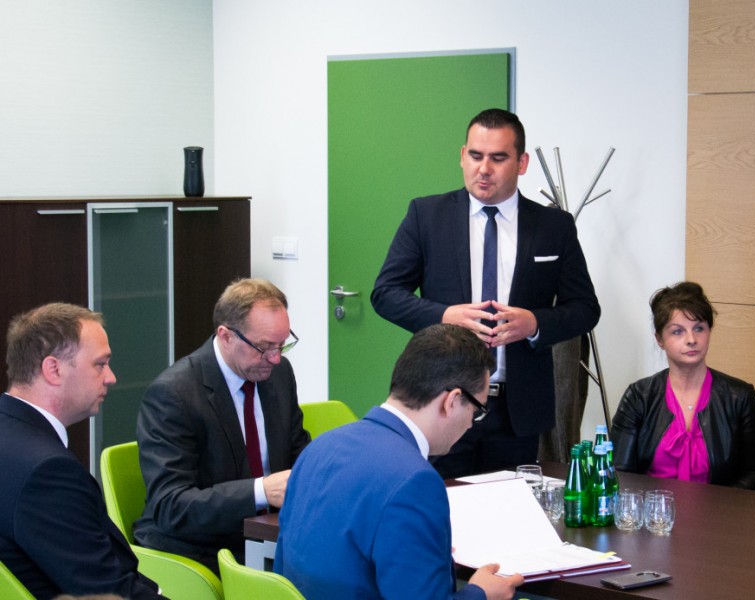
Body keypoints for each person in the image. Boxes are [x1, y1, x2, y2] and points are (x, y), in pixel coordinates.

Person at [371, 108, 600, 478]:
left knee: (511, 508)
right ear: (462, 156)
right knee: (441, 505)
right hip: (442, 400)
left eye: (498, 158)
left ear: (521, 163)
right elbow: (385, 293)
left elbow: (586, 309)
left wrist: (534, 323)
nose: (484, 169)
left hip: (517, 409)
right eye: (476, 156)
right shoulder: (426, 216)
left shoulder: (554, 226)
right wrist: (444, 316)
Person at [275, 323, 524, 599]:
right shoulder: (416, 481)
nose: (470, 424)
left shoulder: (319, 447)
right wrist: (481, 593)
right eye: (476, 411)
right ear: (452, 401)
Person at [134, 278, 311, 571]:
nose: (275, 359)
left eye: (282, 345)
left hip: (267, 537)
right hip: (200, 548)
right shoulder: (173, 394)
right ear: (226, 336)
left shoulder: (278, 375)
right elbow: (171, 506)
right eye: (264, 347)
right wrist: (261, 491)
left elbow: (298, 450)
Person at [0, 303, 165, 600]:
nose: (111, 377)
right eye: (100, 364)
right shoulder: (48, 472)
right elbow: (105, 589)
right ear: (53, 369)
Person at [611, 282, 755, 489]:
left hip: (719, 508)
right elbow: (619, 473)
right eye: (677, 331)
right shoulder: (639, 396)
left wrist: (718, 503)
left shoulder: (740, 397)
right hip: (652, 508)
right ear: (660, 339)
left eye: (699, 328)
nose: (691, 339)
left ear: (709, 331)